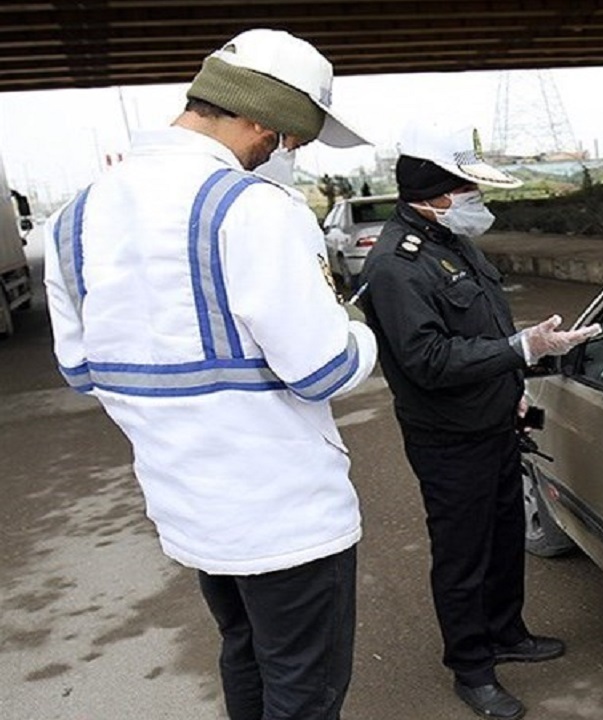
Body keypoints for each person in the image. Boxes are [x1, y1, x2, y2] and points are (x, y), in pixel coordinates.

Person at [43, 29, 377, 720]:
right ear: (258, 117)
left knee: (245, 653)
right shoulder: (253, 209)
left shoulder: (73, 217)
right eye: (289, 139)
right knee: (304, 690)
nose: (286, 155)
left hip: (190, 509)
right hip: (288, 517)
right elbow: (324, 370)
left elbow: (80, 369)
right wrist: (359, 332)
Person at [359, 122, 599, 720]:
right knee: (463, 554)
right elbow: (429, 359)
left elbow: (484, 328)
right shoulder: (397, 264)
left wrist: (514, 381)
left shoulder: (452, 243)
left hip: (494, 421)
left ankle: (506, 633)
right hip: (450, 439)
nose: (477, 202)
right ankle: (472, 667)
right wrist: (523, 349)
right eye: (468, 190)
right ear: (434, 195)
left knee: (502, 538)